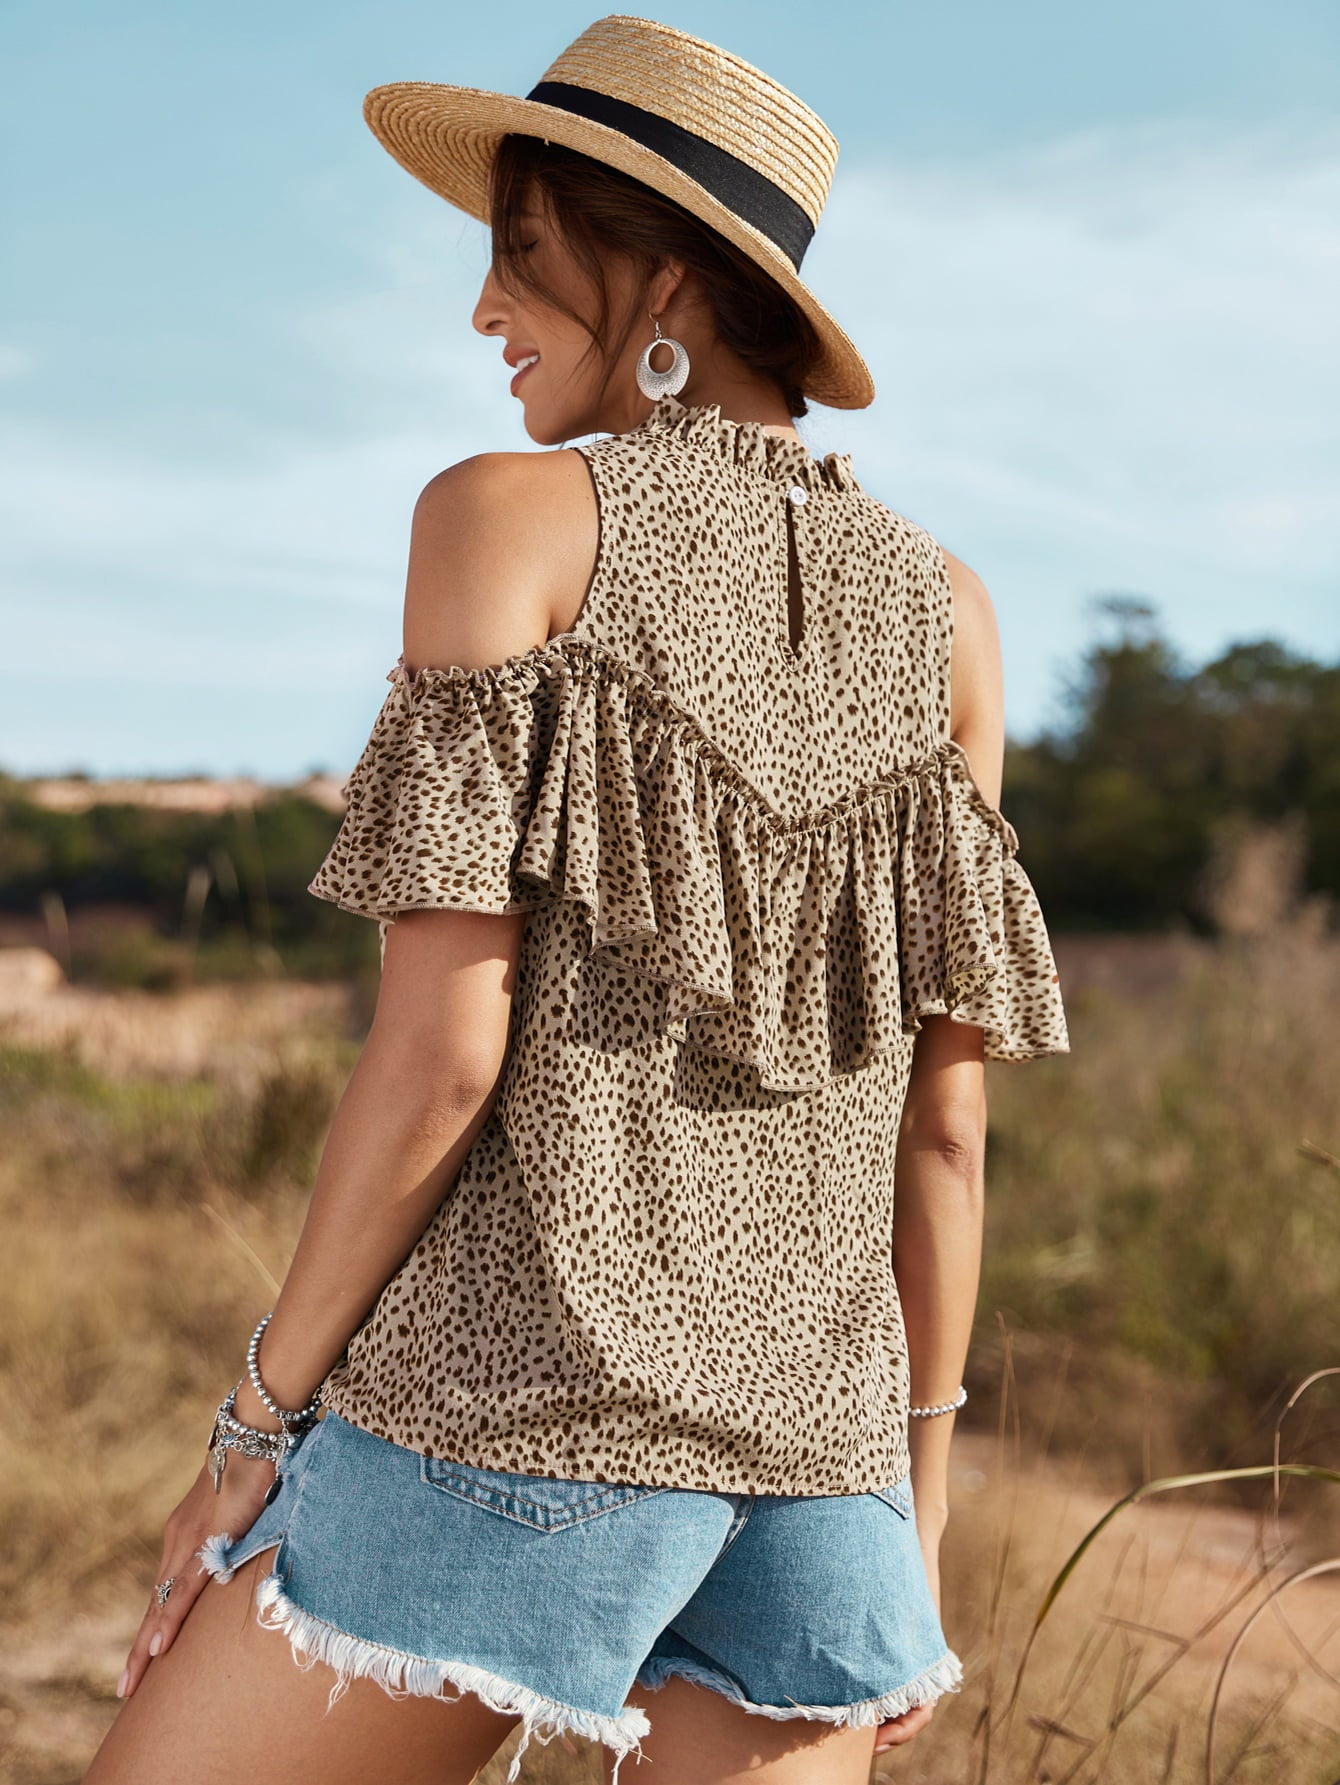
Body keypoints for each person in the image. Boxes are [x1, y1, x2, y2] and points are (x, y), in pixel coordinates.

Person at [85, 16, 1070, 1785]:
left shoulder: (511, 523)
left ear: (666, 278)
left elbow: (444, 1057)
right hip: (819, 1485)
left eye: (521, 259)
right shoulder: (955, 617)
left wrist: (256, 1418)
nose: (482, 311)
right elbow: (947, 1125)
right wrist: (913, 1516)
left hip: (515, 1412)